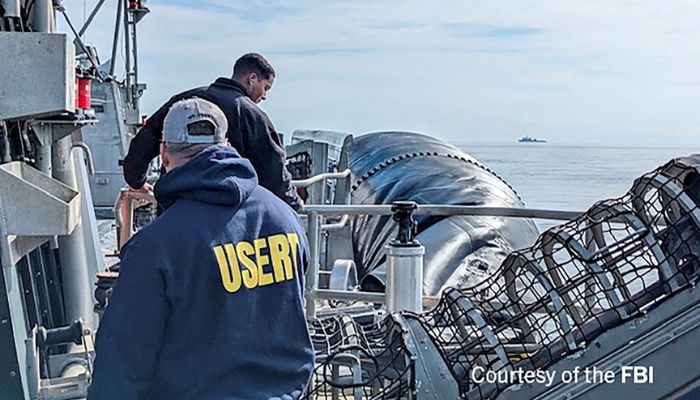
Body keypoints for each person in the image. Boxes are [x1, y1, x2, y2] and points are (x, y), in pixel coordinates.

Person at [89, 98, 314, 399]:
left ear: (164, 154)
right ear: (228, 144)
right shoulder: (285, 219)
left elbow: (122, 367)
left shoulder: (155, 247)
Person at [123, 52, 303, 211]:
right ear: (252, 79)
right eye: (266, 88)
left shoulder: (185, 101)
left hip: (176, 210)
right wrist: (294, 204)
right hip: (227, 218)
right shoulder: (253, 116)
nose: (264, 96)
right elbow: (273, 170)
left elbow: (146, 139)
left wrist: (135, 181)